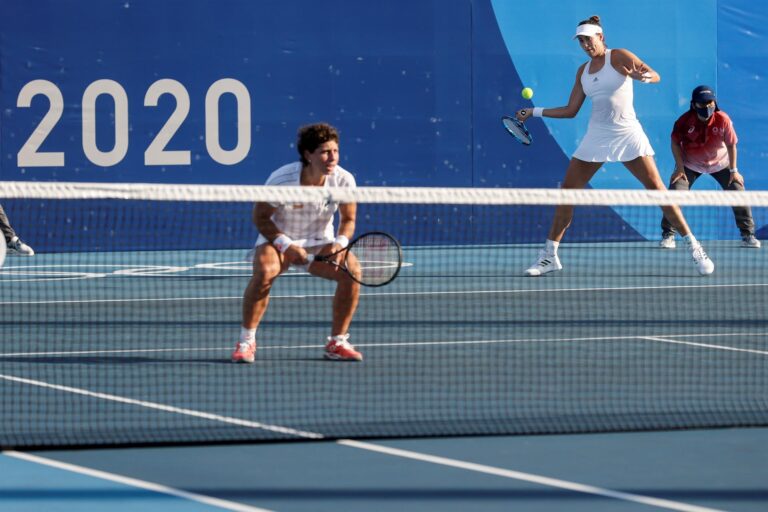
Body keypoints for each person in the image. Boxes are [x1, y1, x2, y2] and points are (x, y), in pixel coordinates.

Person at [516, 15, 714, 276]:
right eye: (581, 41)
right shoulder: (583, 72)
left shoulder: (618, 56)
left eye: (589, 39)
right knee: (567, 194)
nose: (586, 45)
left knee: (657, 191)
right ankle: (549, 256)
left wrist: (642, 77)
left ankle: (695, 248)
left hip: (627, 134)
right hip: (596, 136)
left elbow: (654, 75)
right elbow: (570, 110)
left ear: (601, 37)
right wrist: (535, 112)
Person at [231, 123, 363, 363]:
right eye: (325, 152)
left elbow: (349, 219)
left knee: (352, 272)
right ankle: (246, 341)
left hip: (320, 242)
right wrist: (286, 245)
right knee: (265, 272)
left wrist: (340, 243)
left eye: (335, 151)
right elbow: (260, 217)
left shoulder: (344, 180)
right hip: (279, 240)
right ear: (307, 155)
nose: (332, 157)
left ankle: (337, 341)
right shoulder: (282, 180)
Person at [660, 85, 760, 249]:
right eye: (702, 104)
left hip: (720, 164)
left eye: (710, 103)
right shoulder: (684, 121)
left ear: (714, 103)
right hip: (690, 164)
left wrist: (734, 171)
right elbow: (675, 143)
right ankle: (668, 235)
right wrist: (679, 168)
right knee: (675, 193)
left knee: (738, 191)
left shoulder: (723, 119)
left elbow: (731, 145)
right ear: (694, 105)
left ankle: (748, 235)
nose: (707, 107)